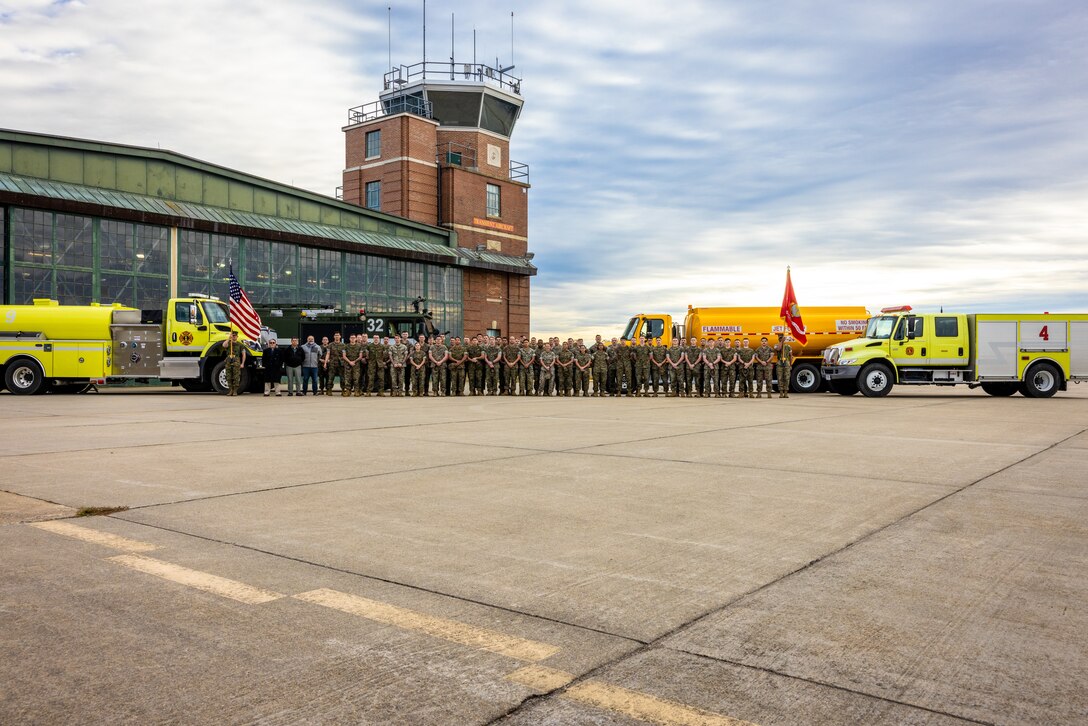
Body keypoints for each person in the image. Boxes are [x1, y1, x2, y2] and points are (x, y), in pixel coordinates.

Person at [224, 331, 247, 396]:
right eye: (233, 335)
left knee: (236, 376)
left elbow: (243, 354)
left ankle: (235, 391)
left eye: (234, 336)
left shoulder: (240, 345)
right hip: (229, 360)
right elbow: (224, 345)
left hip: (236, 361)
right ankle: (230, 390)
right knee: (228, 376)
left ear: (237, 337)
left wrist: (242, 363)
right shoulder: (229, 343)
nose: (233, 337)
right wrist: (229, 338)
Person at [776, 334, 793, 398]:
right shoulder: (777, 345)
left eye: (782, 338)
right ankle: (781, 393)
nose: (781, 339)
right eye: (780, 338)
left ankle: (786, 392)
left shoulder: (788, 346)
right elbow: (778, 349)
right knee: (780, 378)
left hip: (786, 362)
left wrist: (790, 364)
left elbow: (791, 356)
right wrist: (781, 342)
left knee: (786, 378)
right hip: (780, 363)